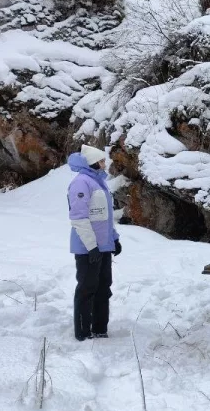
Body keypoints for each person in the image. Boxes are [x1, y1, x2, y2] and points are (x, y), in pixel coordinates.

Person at [67, 145, 121, 341]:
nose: (104, 163)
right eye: (101, 160)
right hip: (88, 248)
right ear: (92, 162)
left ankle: (99, 328)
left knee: (103, 287)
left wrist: (114, 239)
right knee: (87, 288)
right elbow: (79, 218)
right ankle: (82, 332)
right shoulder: (81, 183)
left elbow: (105, 218)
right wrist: (91, 247)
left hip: (104, 246)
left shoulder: (99, 183)